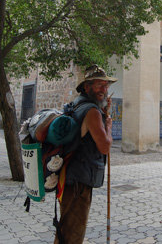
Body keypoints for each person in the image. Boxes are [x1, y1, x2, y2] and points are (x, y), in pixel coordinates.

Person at [54, 64, 117, 244]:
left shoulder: (76, 104)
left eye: (106, 86)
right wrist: (109, 126)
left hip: (68, 175)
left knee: (65, 228)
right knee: (73, 232)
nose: (104, 90)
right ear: (86, 87)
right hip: (78, 182)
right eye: (99, 85)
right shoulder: (92, 111)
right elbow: (104, 146)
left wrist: (103, 112)